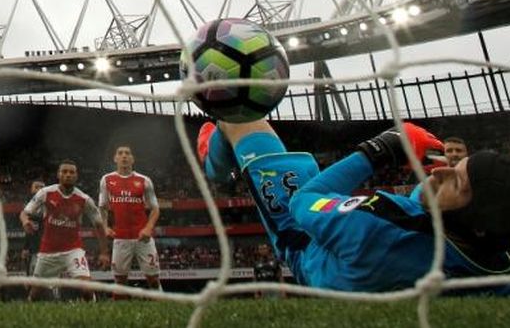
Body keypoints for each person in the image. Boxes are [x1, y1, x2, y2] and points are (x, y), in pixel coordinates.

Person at [197, 119, 510, 292]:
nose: (441, 170)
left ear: (479, 223)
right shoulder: (496, 266)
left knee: (240, 118)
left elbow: (303, 200)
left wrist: (381, 148)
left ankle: (215, 165)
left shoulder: (381, 225)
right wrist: (439, 189)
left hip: (308, 245)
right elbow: (425, 216)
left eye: (457, 181)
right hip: (378, 253)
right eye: (454, 166)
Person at [20, 160, 110, 301]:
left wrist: (104, 253)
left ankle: (93, 311)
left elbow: (99, 225)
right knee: (35, 294)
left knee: (86, 289)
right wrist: (25, 221)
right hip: (48, 251)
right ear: (58, 174)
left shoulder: (84, 199)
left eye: (71, 172)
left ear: (76, 176)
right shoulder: (45, 193)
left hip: (73, 250)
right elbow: (25, 212)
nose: (68, 175)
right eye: (64, 172)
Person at [98, 145, 161, 297]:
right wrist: (105, 227)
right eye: (120, 153)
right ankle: (117, 316)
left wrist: (148, 228)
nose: (124, 156)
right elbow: (102, 207)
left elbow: (155, 209)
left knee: (153, 280)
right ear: (115, 158)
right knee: (120, 282)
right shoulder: (107, 180)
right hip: (120, 238)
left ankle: (164, 311)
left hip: (143, 239)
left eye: (127, 153)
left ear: (132, 159)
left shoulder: (144, 180)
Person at [20, 180, 45, 277]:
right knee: (34, 275)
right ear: (31, 189)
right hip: (36, 249)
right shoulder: (29, 208)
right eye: (37, 187)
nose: (39, 189)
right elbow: (30, 230)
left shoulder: (50, 203)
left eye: (41, 187)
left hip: (50, 248)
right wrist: (26, 247)